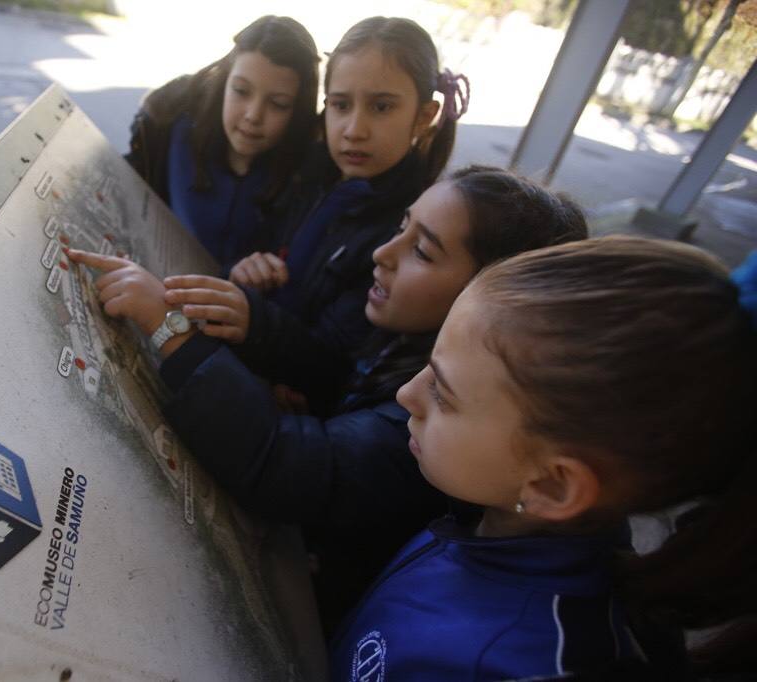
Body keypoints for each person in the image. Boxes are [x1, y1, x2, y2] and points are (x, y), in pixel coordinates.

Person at [64, 166, 588, 634]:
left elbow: (286, 463)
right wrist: (258, 326)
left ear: (488, 299)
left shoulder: (441, 422)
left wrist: (170, 327)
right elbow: (339, 373)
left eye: (422, 251)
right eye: (401, 228)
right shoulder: (404, 340)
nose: (383, 254)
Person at [329, 236, 757, 680]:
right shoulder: (485, 514)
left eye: (443, 391)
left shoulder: (512, 666)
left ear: (552, 485)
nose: (406, 394)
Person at [199, 16, 470, 368]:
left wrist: (252, 318)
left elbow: (337, 361)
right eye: (341, 105)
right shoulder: (307, 177)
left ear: (423, 116)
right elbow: (255, 249)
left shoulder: (405, 235)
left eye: (382, 107)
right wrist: (242, 273)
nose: (354, 130)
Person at [125, 15, 319, 270]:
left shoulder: (313, 175)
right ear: (224, 81)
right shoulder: (168, 124)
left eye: (278, 104)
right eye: (241, 90)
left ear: (298, 111)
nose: (253, 115)